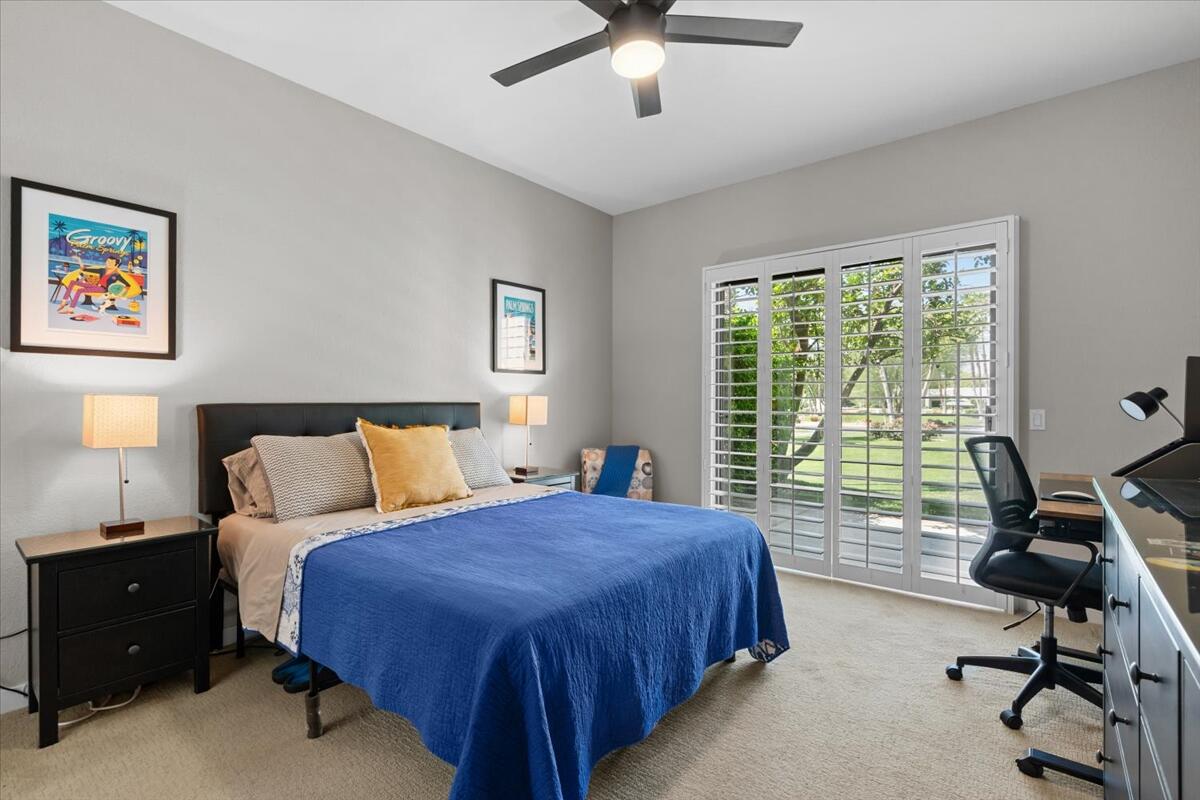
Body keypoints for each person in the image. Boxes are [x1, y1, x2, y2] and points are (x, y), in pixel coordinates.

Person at [57, 255, 121, 314]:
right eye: (107, 261)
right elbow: (84, 269)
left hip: (102, 289)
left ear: (115, 265)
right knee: (72, 282)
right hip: (96, 286)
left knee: (80, 290)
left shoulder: (116, 275)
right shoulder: (102, 270)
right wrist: (79, 259)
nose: (108, 263)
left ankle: (70, 309)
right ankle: (63, 302)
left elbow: (122, 285)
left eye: (111, 263)